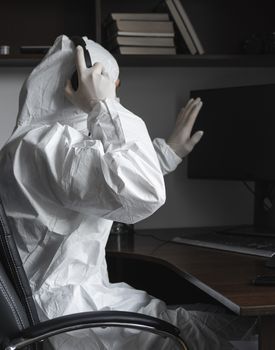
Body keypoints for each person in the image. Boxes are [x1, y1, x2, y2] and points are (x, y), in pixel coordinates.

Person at [0, 35, 255, 349]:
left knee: (232, 326)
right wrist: (100, 105)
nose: (114, 96)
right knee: (234, 335)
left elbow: (98, 181)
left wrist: (167, 153)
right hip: (75, 322)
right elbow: (141, 190)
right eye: (107, 84)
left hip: (75, 307)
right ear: (78, 83)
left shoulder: (35, 144)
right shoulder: (49, 147)